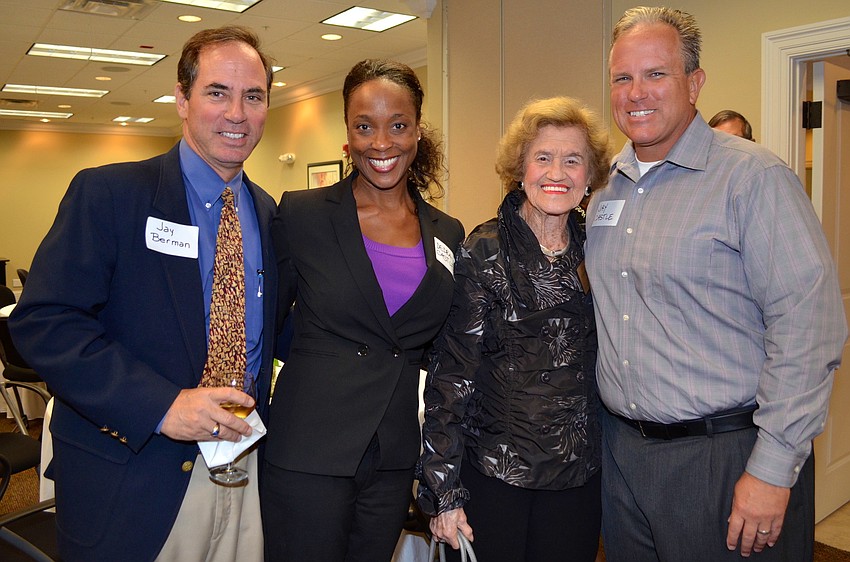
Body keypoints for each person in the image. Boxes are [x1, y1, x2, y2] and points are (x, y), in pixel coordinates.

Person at [585, 7, 847, 562]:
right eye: (622, 78)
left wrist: (773, 471)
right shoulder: (604, 188)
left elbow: (809, 329)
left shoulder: (753, 179)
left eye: (656, 74)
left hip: (726, 455)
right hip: (623, 456)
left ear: (694, 82)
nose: (637, 93)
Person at [9, 25, 278, 562]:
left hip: (242, 471)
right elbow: (44, 322)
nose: (237, 114)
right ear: (181, 99)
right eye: (217, 92)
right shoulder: (111, 194)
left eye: (253, 96)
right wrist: (162, 406)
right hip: (134, 475)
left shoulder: (269, 214)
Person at [261, 59, 465, 562]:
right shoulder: (303, 214)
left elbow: (443, 354)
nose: (382, 143)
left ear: (418, 130)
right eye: (364, 126)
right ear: (347, 134)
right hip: (309, 447)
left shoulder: (447, 232)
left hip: (393, 456)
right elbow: (267, 326)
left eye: (398, 125)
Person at [418, 96, 611, 562]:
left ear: (590, 176)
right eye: (542, 158)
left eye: (572, 160)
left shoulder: (600, 249)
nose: (557, 173)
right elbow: (452, 376)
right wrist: (443, 491)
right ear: (520, 168)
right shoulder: (484, 250)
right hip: (494, 478)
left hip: (578, 480)